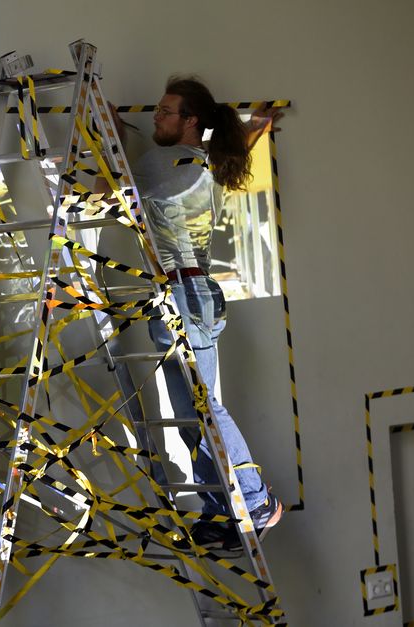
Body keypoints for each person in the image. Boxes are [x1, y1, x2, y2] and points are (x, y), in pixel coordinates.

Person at [112, 76, 283, 554]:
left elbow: (113, 187)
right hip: (187, 294)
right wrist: (255, 126)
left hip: (184, 294)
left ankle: (256, 500)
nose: (156, 117)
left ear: (191, 121)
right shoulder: (199, 160)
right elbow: (232, 145)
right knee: (191, 413)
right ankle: (219, 508)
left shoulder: (166, 164)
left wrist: (111, 135)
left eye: (166, 112)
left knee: (202, 408)